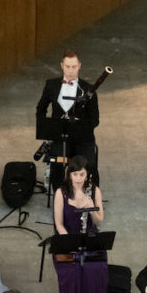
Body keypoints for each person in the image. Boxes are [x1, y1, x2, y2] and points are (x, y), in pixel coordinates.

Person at [52, 159, 109, 293]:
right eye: (75, 174)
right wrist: (70, 243)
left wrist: (91, 207)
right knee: (73, 271)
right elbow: (58, 224)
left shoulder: (95, 191)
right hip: (65, 242)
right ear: (69, 175)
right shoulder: (61, 193)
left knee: (95, 268)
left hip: (90, 239)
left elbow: (99, 220)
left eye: (82, 174)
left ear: (87, 174)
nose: (78, 178)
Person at [35, 50, 103, 193]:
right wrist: (47, 129)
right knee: (57, 165)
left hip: (82, 138)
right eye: (67, 66)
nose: (71, 70)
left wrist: (80, 123)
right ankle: (61, 196)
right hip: (59, 136)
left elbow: (95, 119)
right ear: (62, 65)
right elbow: (41, 109)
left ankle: (90, 195)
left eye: (74, 67)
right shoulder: (51, 85)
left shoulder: (89, 89)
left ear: (79, 66)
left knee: (89, 164)